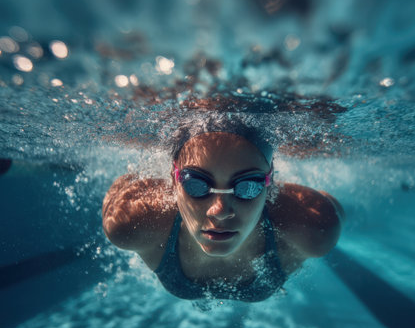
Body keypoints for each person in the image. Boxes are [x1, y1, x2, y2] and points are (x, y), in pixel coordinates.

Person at [102, 116, 344, 302]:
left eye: (248, 186)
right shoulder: (131, 223)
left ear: (269, 187)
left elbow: (333, 209)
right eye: (195, 184)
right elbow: (122, 190)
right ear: (173, 182)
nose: (219, 211)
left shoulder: (314, 228)